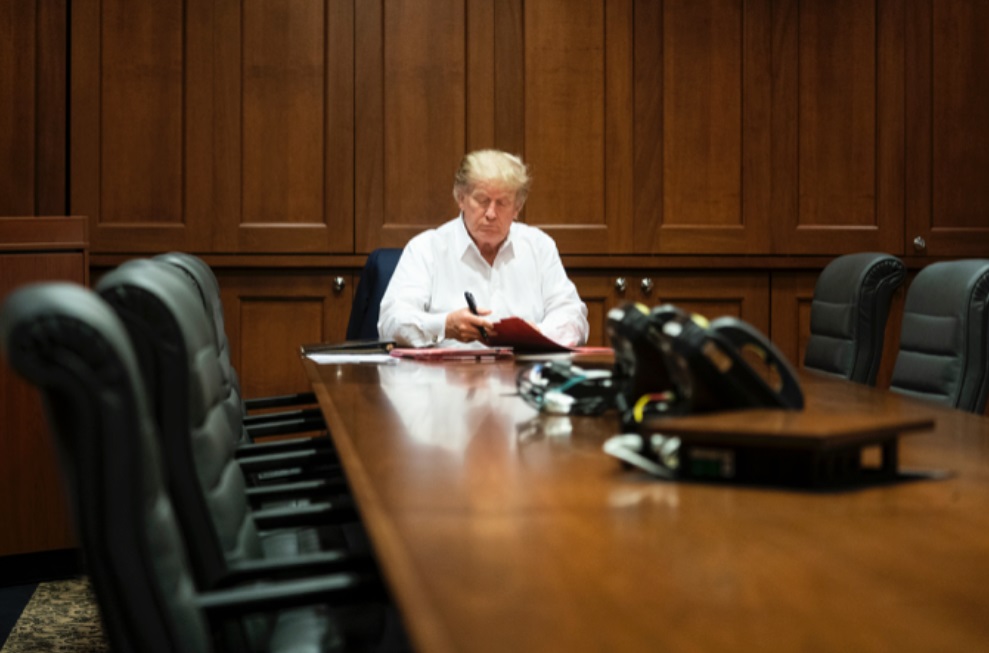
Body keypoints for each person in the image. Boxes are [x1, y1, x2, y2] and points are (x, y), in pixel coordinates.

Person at [378, 149, 589, 348]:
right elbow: (390, 323)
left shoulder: (539, 247)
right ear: (460, 198)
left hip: (520, 377)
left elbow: (573, 317)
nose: (490, 213)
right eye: (482, 200)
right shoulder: (426, 249)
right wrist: (445, 325)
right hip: (445, 381)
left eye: (502, 203)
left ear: (518, 207)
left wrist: (538, 333)